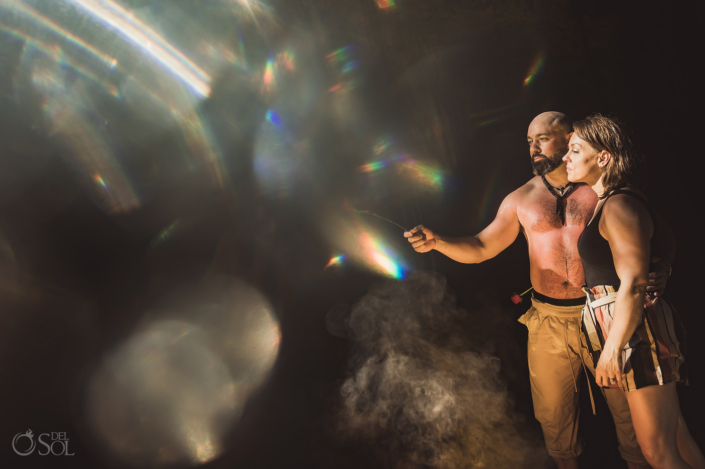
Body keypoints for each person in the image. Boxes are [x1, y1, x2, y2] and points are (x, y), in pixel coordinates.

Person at [404, 111, 672, 469]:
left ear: (568, 139)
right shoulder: (521, 199)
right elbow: (482, 247)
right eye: (529, 142)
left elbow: (655, 230)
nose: (533, 148)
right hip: (547, 321)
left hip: (603, 316)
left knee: (630, 414)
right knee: (554, 419)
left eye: (541, 139)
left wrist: (664, 267)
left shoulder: (602, 188)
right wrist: (438, 242)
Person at [563, 114, 704, 469]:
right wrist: (666, 266)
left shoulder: (620, 204)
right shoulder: (616, 201)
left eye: (575, 149)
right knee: (674, 439)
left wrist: (612, 349)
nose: (566, 157)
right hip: (626, 326)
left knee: (657, 450)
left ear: (604, 157)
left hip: (633, 331)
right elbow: (663, 235)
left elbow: (635, 281)